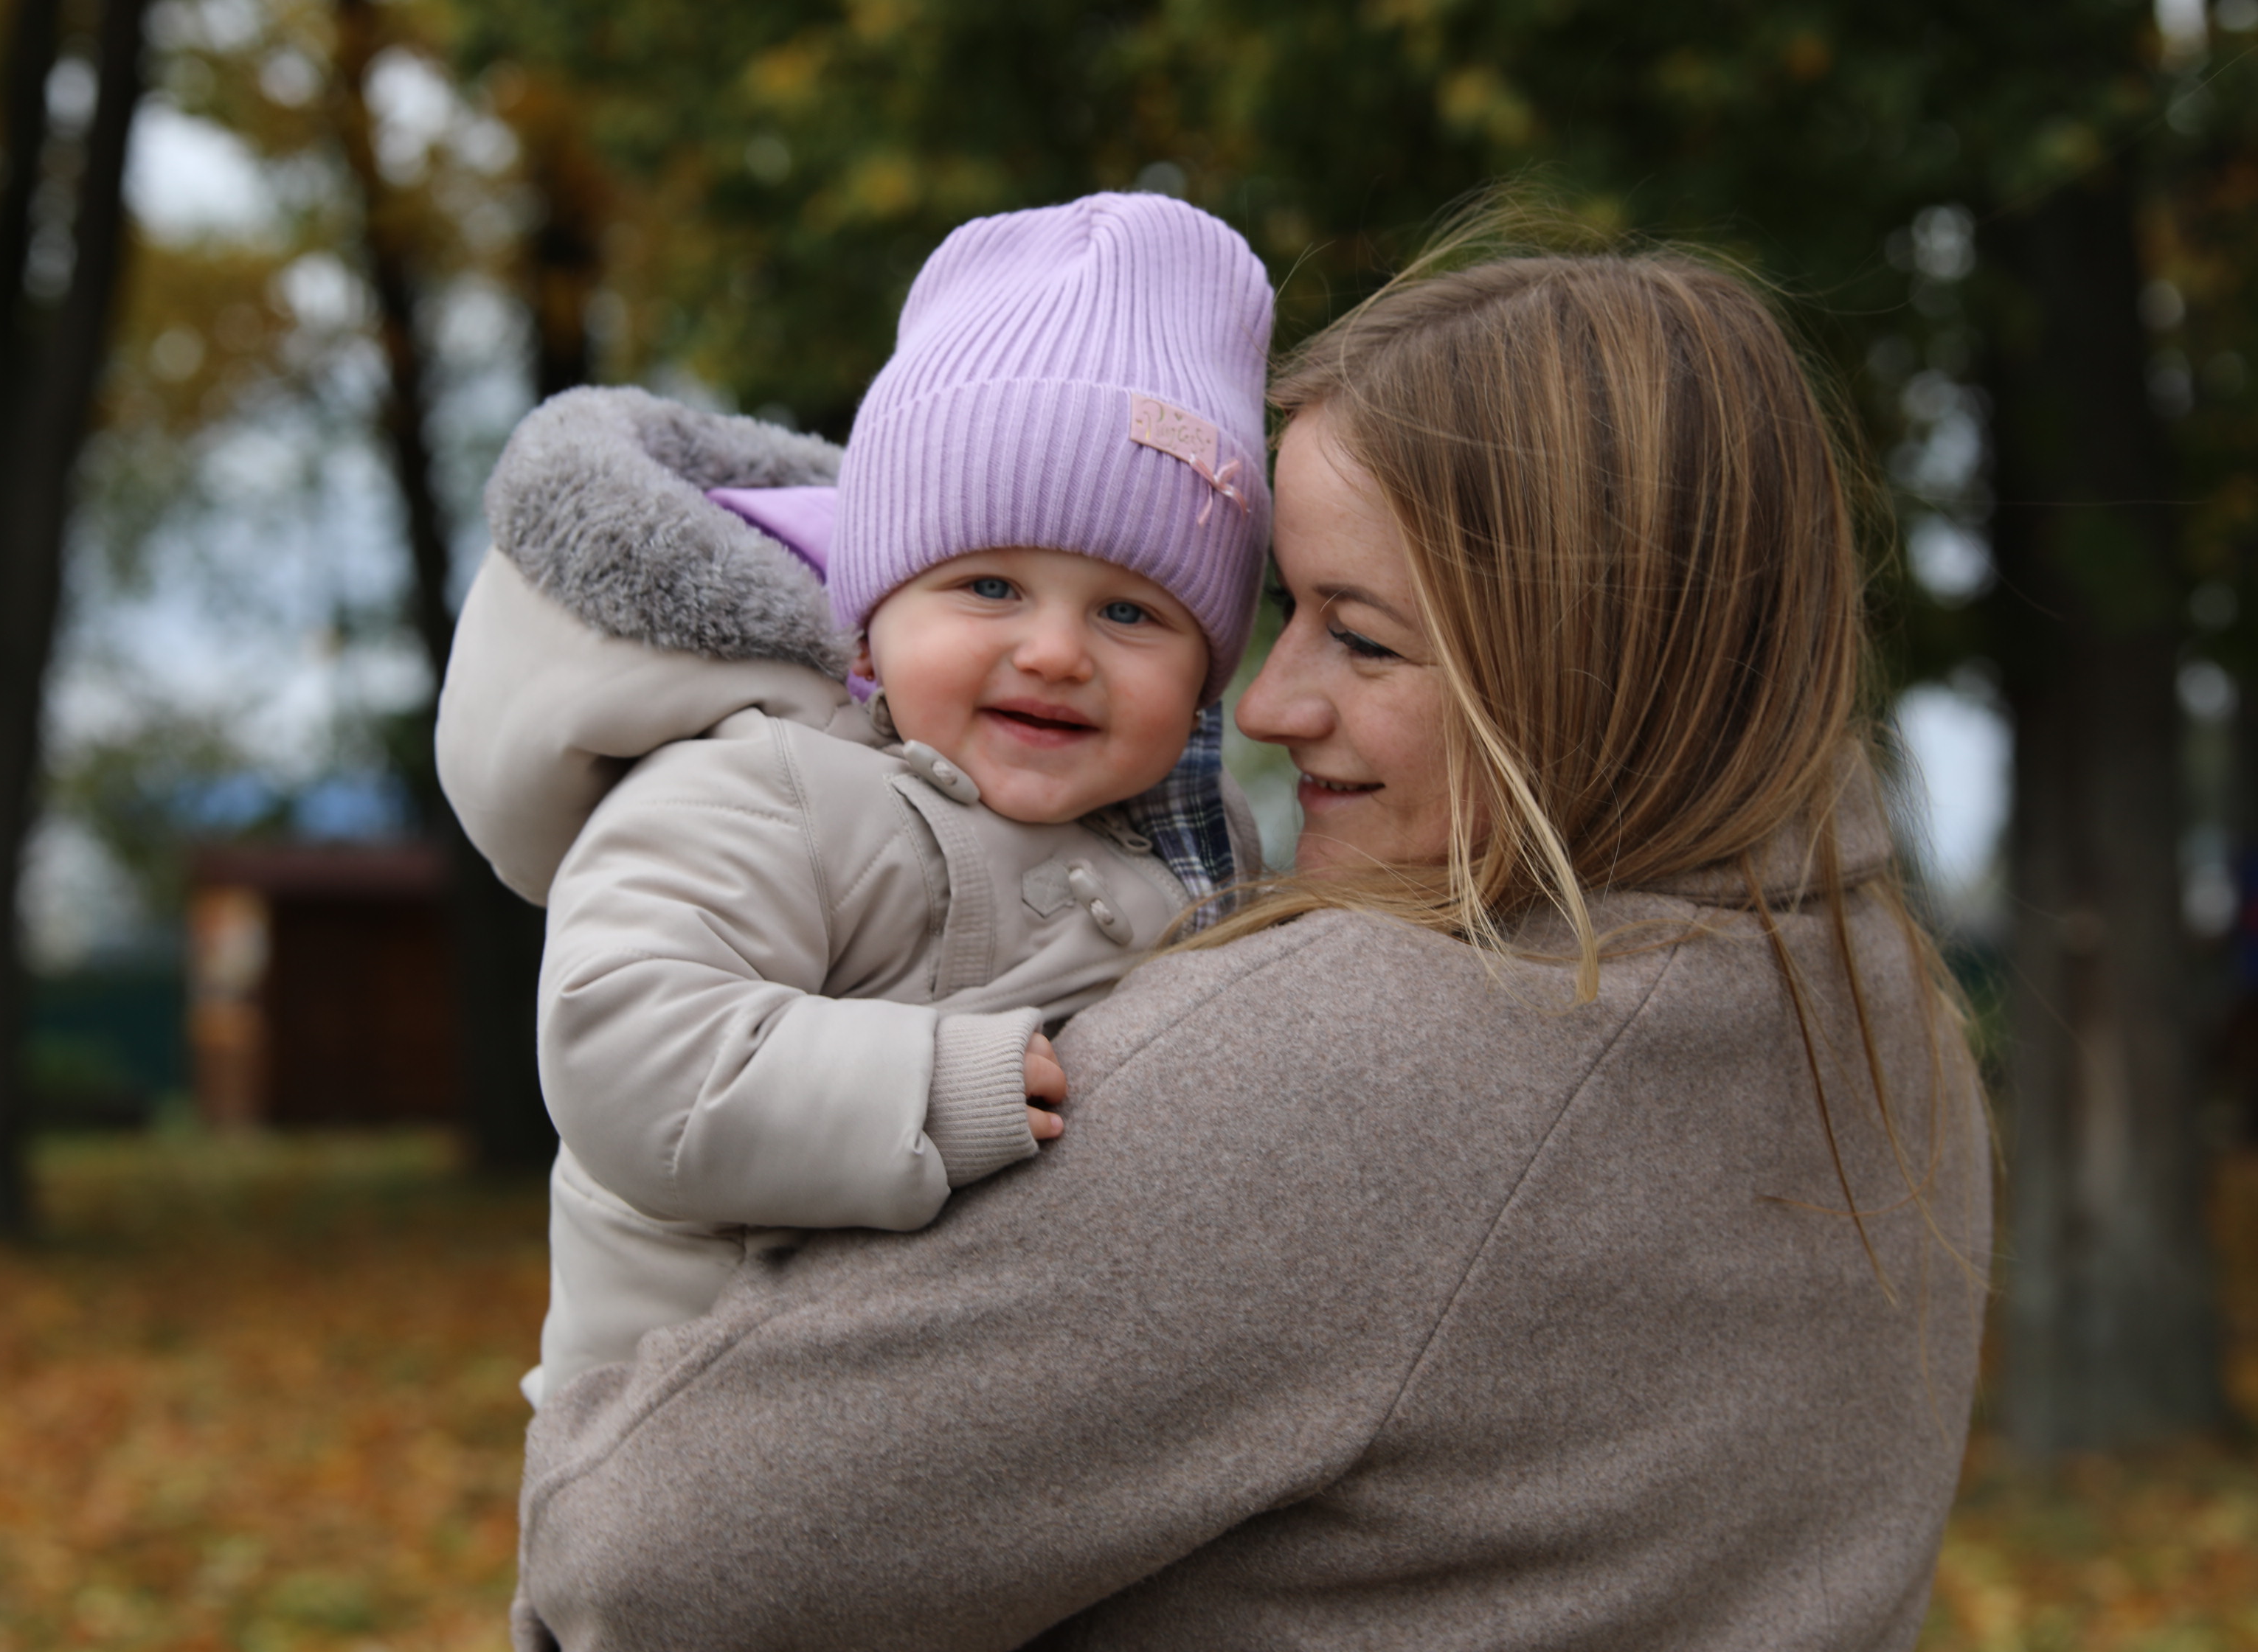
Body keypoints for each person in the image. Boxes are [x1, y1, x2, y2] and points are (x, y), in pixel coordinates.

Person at [505, 232, 1993, 1652]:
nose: (1266, 708)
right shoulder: (1881, 1013)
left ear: (1586, 660)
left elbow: (643, 1566)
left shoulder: (1361, 1059)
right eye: (1287, 610)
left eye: (1361, 634)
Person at [434, 192, 1275, 1409]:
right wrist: (925, 1087)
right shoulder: (767, 783)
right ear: (873, 621)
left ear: (1206, 674)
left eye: (1130, 613)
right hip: (699, 1424)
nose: (1054, 652)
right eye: (989, 586)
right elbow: (623, 1043)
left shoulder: (1200, 848)